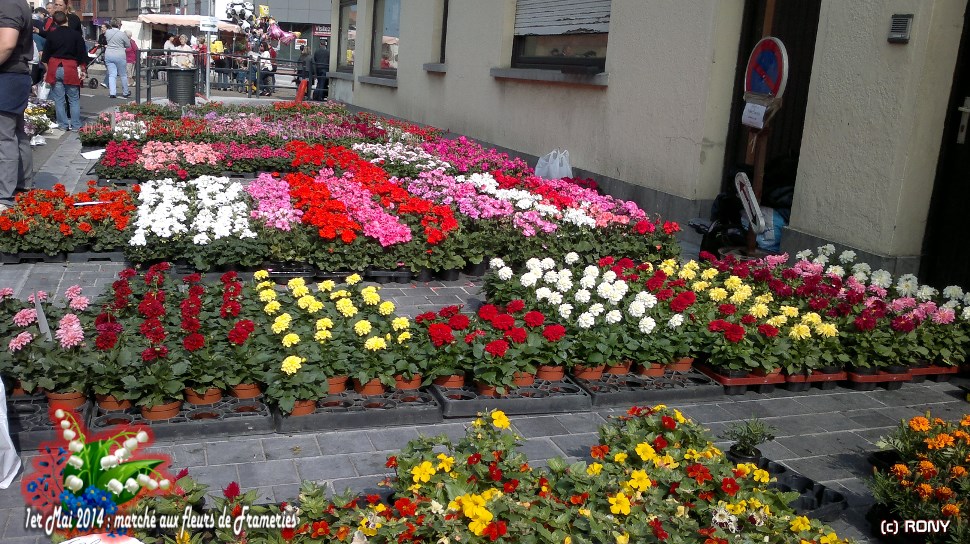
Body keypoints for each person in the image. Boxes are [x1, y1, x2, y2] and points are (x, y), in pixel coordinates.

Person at [0, 0, 34, 213]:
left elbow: (6, 44)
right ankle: (21, 186)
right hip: (15, 75)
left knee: (4, 137)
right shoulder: (17, 3)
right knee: (15, 134)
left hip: (7, 74)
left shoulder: (7, 4)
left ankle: (5, 195)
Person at [42, 10, 86, 131]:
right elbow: (82, 54)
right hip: (70, 66)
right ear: (67, 19)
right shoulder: (76, 35)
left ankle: (63, 124)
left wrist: (48, 70)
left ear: (55, 22)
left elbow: (45, 57)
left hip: (55, 66)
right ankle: (76, 125)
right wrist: (83, 69)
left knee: (59, 99)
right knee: (73, 98)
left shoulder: (52, 35)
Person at [103, 18, 128, 98]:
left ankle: (112, 92)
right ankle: (125, 92)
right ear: (118, 24)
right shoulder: (122, 34)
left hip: (109, 54)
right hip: (120, 55)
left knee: (112, 74)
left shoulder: (107, 32)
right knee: (123, 75)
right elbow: (128, 45)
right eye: (120, 24)